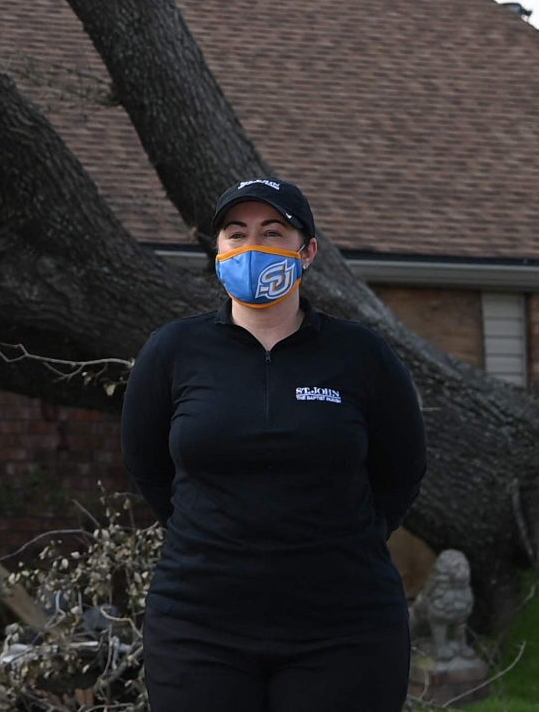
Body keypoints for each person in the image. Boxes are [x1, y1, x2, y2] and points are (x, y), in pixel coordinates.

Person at [120, 177, 427, 712]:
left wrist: (343, 539)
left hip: (345, 628)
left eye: (273, 232)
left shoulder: (361, 355)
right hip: (199, 627)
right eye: (236, 234)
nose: (252, 247)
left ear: (306, 252)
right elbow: (148, 466)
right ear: (218, 251)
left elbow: (402, 471)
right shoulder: (173, 351)